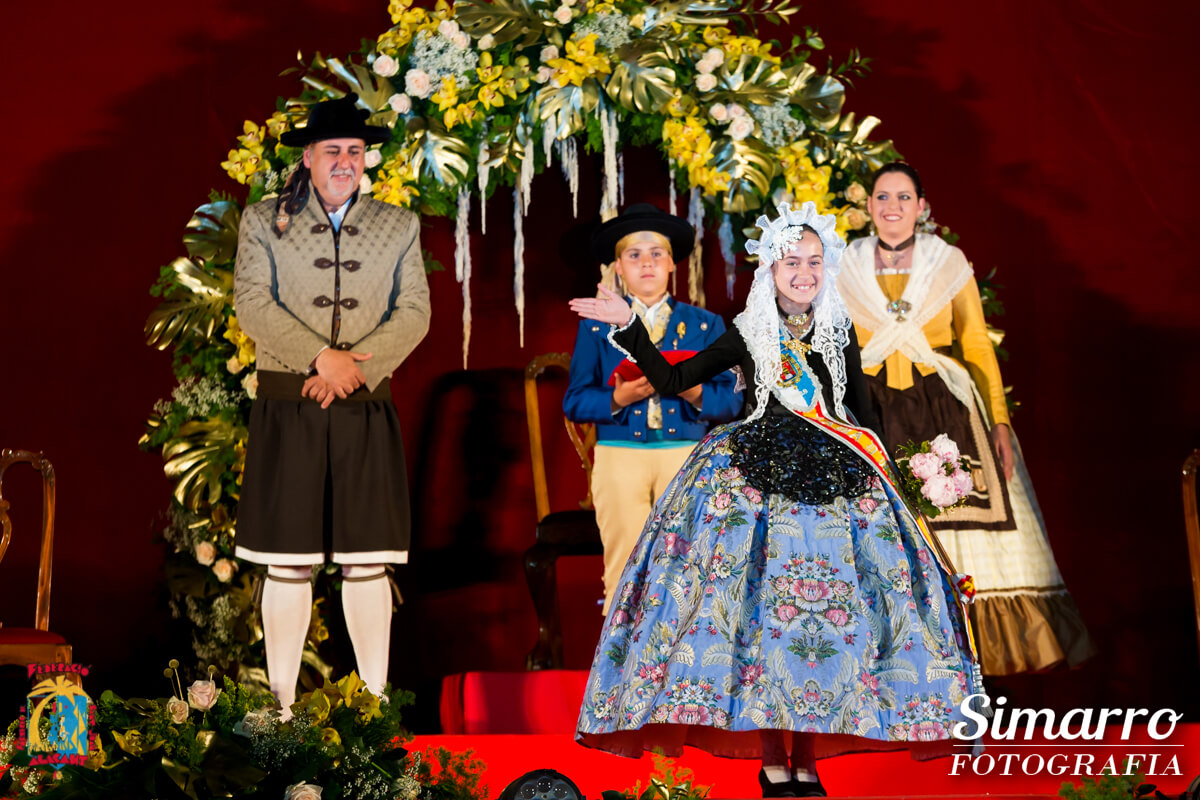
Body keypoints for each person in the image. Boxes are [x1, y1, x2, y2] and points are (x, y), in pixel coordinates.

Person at [570, 202, 985, 798]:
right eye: (792, 262)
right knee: (762, 619)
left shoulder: (839, 331)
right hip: (752, 479)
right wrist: (630, 323)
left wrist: (897, 481)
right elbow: (672, 381)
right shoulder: (747, 331)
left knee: (826, 622)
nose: (804, 273)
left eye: (814, 262)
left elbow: (860, 413)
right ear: (771, 268)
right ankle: (771, 758)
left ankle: (808, 758)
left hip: (836, 481)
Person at [838, 162, 1092, 676]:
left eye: (903, 197)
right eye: (882, 197)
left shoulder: (947, 261)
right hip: (870, 411)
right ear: (868, 206)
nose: (892, 207)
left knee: (962, 519)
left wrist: (999, 421)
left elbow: (975, 343)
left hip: (944, 407)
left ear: (922, 206)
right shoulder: (844, 264)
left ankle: (967, 664)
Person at [233, 93, 431, 713]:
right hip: (288, 406)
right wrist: (322, 359)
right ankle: (282, 709)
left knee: (367, 562)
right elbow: (251, 302)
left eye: (354, 150)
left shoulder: (399, 225)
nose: (345, 161)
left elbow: (415, 312)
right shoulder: (262, 220)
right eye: (332, 151)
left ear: (365, 158)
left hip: (364, 407)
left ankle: (373, 706)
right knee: (286, 563)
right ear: (308, 158)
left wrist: (352, 371)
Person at [564, 203, 742, 615]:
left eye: (656, 254)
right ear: (619, 268)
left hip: (686, 454)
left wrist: (693, 391)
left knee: (686, 564)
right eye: (634, 255)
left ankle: (683, 648)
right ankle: (619, 647)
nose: (647, 263)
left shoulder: (705, 324)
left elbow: (732, 400)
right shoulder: (596, 327)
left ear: (672, 265)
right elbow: (575, 400)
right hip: (619, 454)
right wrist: (618, 399)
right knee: (624, 565)